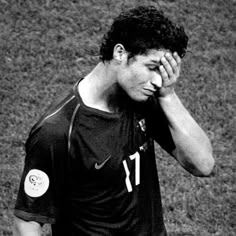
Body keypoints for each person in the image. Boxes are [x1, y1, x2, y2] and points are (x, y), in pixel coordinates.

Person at [13, 5, 215, 236]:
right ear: (120, 52)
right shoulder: (57, 132)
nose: (158, 81)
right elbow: (26, 224)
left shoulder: (143, 98)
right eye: (152, 67)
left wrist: (168, 95)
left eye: (163, 71)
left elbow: (203, 165)